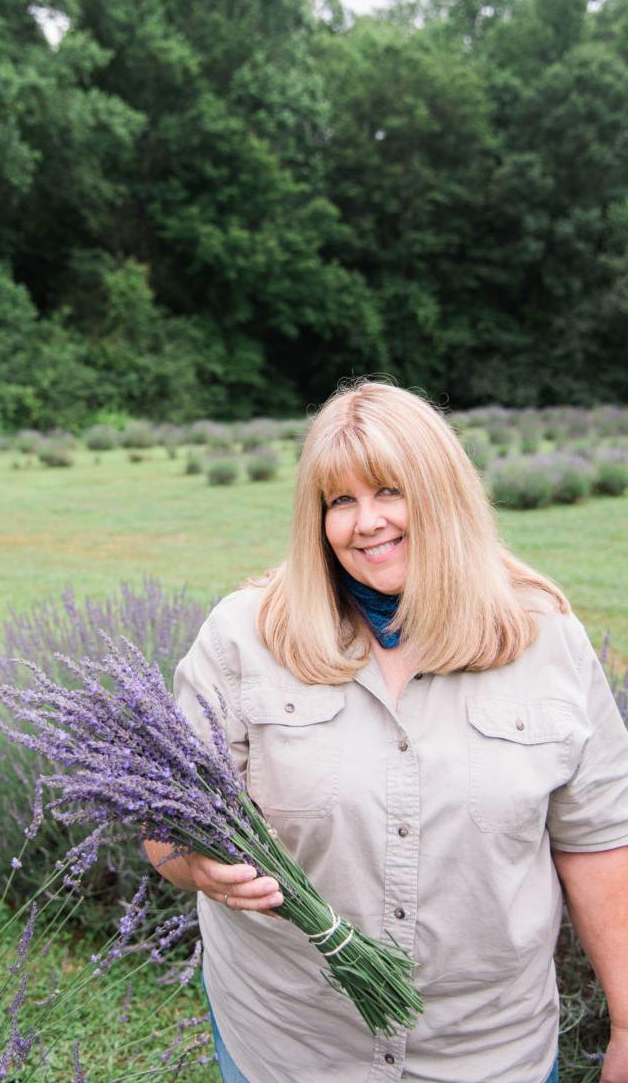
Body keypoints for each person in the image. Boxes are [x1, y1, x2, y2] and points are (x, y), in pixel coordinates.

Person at [144, 380, 628, 1083]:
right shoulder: (244, 636)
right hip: (289, 1045)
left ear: (442, 494)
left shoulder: (543, 637)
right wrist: (197, 869)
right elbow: (163, 825)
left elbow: (598, 840)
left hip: (486, 1051)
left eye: (389, 492)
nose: (365, 522)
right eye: (340, 501)